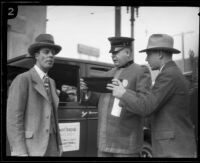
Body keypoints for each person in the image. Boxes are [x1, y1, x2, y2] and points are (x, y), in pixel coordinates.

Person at [107, 34, 197, 157]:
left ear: (160, 54)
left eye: (149, 54)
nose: (146, 59)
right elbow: (154, 108)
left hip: (173, 148)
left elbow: (147, 107)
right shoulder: (171, 73)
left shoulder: (168, 75)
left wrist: (123, 93)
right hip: (175, 145)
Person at [80, 36, 152, 157]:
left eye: (116, 52)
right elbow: (99, 101)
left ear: (128, 52)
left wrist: (123, 94)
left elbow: (144, 106)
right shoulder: (108, 73)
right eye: (111, 53)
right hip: (104, 143)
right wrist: (88, 92)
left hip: (126, 145)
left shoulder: (140, 72)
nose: (113, 56)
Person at [7, 34, 63, 156]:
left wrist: (59, 144)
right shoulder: (23, 79)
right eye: (46, 52)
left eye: (53, 53)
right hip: (32, 147)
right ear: (36, 55)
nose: (51, 56)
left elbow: (53, 116)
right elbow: (13, 119)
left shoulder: (52, 82)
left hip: (52, 146)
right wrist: (19, 152)